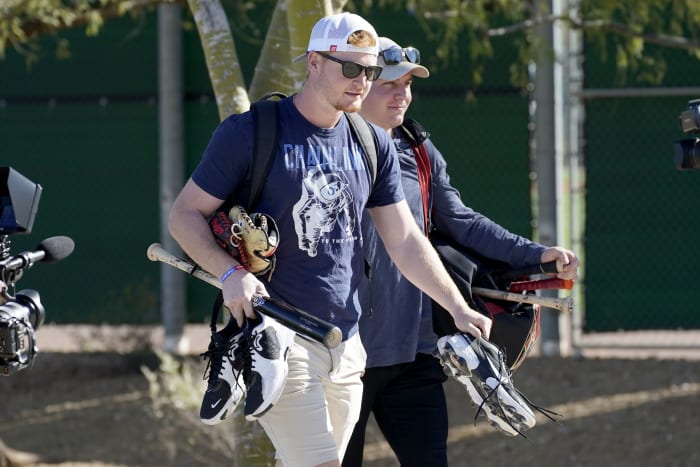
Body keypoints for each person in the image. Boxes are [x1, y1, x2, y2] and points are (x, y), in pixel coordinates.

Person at [168, 13, 492, 467]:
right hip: (277, 337)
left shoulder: (370, 141)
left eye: (371, 70)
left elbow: (404, 239)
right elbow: (184, 215)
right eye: (351, 68)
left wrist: (458, 307)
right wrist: (231, 273)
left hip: (347, 342)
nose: (363, 81)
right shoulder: (251, 133)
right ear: (315, 63)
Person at [342, 37, 580, 467]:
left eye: (408, 84)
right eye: (390, 84)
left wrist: (536, 254)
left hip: (415, 352)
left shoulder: (417, 147)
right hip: (343, 353)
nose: (402, 94)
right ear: (360, 84)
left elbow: (461, 220)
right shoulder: (327, 147)